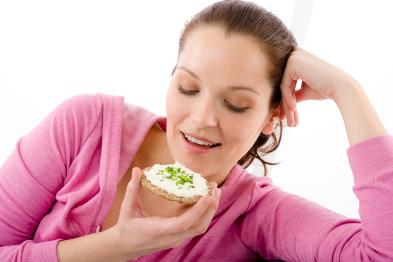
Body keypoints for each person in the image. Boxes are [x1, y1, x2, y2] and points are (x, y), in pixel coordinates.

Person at [1, 0, 392, 261]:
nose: (203, 117)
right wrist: (112, 247)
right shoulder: (87, 127)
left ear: (272, 117)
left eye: (236, 104)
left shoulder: (254, 213)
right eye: (188, 88)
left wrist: (348, 91)